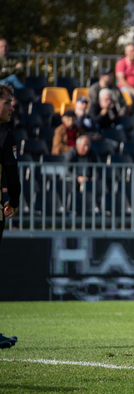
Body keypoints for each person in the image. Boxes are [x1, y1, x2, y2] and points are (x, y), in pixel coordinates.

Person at [0, 84, 21, 350]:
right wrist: (13, 201)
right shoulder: (5, 135)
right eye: (7, 102)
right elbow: (12, 174)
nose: (11, 107)